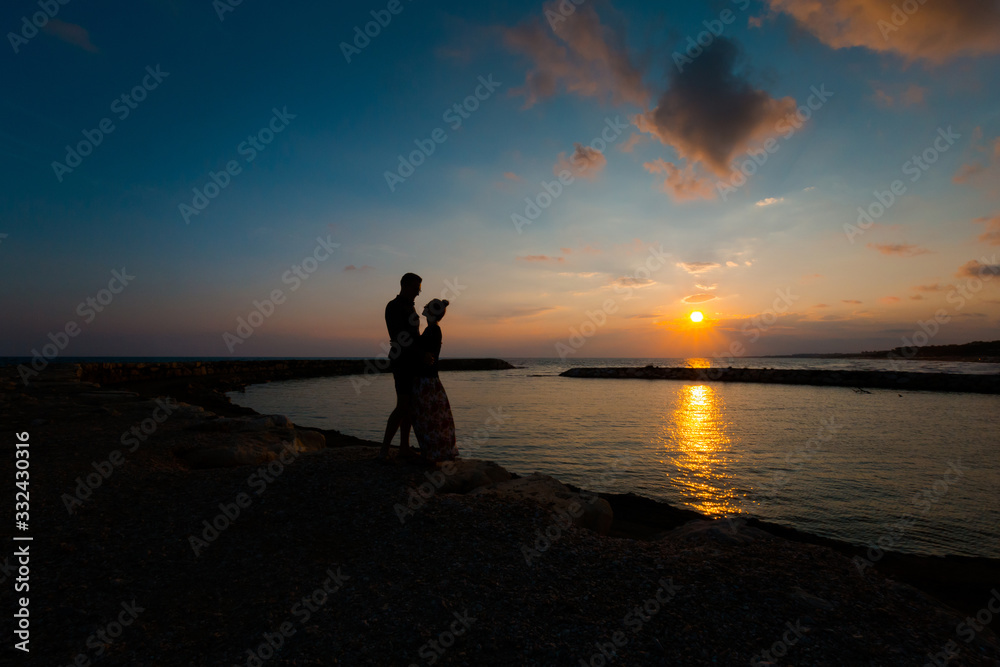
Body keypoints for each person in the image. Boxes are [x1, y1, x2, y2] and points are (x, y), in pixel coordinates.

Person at [410, 298, 458, 462]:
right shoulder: (433, 329)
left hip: (427, 380)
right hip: (429, 379)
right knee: (433, 417)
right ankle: (435, 452)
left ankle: (432, 453)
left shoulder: (432, 330)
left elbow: (422, 351)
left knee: (428, 417)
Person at [380, 273, 422, 460]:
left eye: (419, 289)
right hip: (402, 361)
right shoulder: (394, 306)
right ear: (404, 285)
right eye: (415, 288)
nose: (418, 292)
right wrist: (419, 350)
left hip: (413, 361)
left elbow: (415, 335)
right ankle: (384, 451)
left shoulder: (410, 307)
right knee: (402, 405)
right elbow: (398, 336)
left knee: (410, 407)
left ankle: (404, 447)